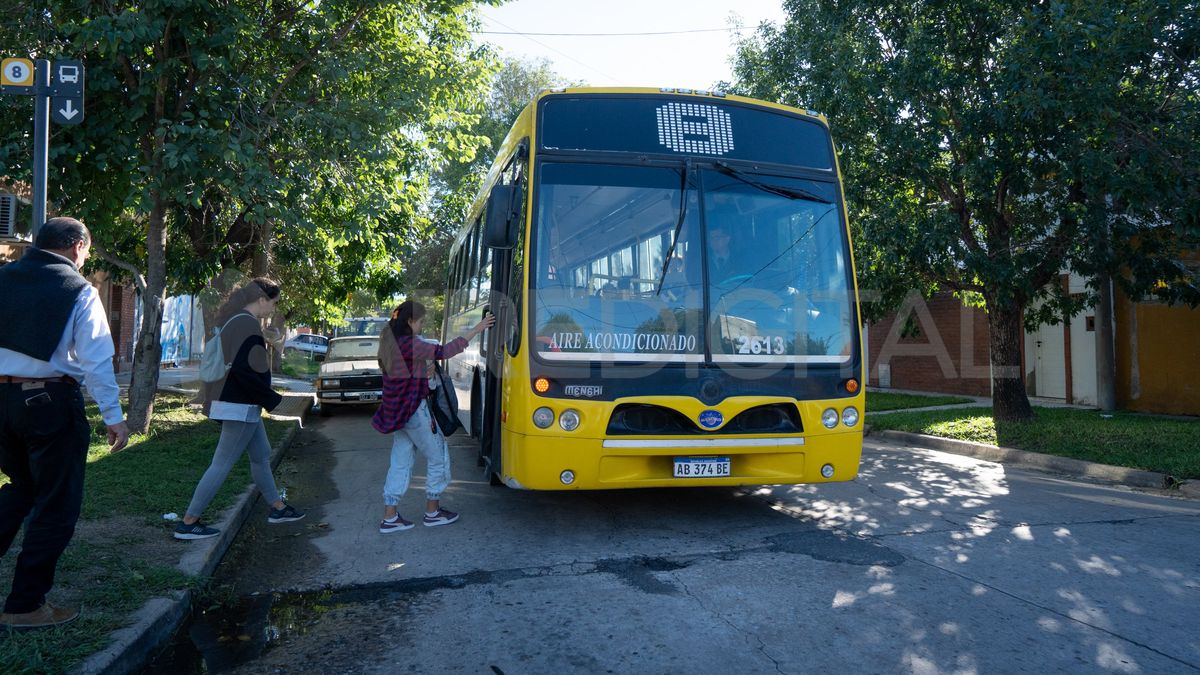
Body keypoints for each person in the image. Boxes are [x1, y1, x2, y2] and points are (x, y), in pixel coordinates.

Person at [0, 217, 130, 630]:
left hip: (1, 404)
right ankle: (24, 606)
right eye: (88, 251)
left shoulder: (3, 278)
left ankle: (24, 599)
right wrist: (114, 416)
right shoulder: (78, 290)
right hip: (49, 402)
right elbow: (95, 359)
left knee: (21, 489)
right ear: (76, 246)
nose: (86, 258)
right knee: (56, 505)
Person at [173, 278, 305, 540]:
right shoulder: (247, 325)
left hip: (235, 401)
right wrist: (273, 400)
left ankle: (277, 507)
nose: (273, 309)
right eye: (273, 303)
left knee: (261, 454)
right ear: (261, 300)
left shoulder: (235, 320)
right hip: (239, 405)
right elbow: (246, 373)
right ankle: (189, 522)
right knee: (221, 464)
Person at [372, 300, 493, 533]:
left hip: (398, 415)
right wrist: (478, 328)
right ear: (409, 321)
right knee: (439, 456)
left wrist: (422, 371)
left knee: (400, 462)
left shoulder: (389, 341)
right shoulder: (410, 343)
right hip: (415, 411)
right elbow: (445, 351)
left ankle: (390, 516)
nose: (421, 327)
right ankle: (433, 511)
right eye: (420, 322)